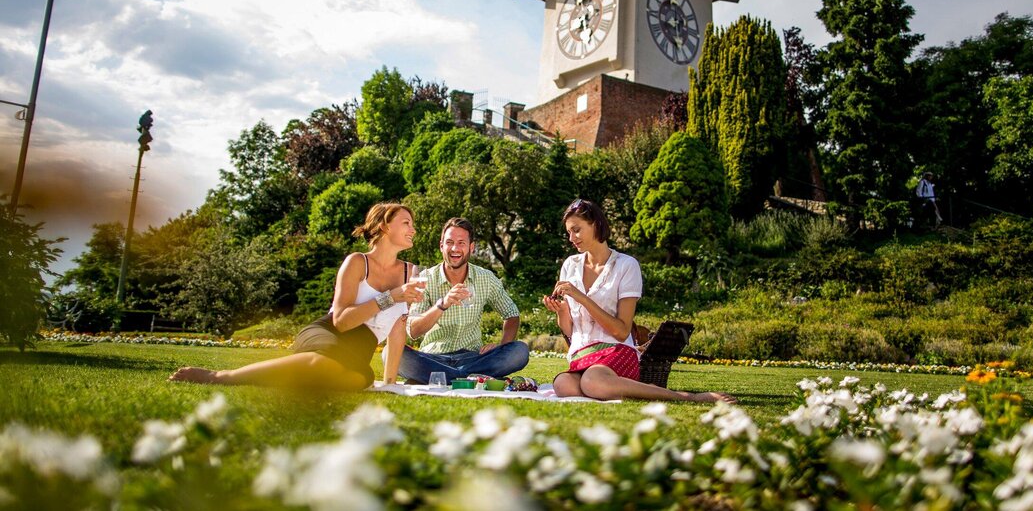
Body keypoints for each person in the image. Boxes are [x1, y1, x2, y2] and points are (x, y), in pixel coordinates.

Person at [169, 202, 426, 390]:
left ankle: (295, 377)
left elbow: (397, 328)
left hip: (361, 347)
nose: (413, 229)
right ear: (384, 226)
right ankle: (221, 376)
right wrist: (390, 297)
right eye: (406, 223)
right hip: (330, 333)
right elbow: (341, 322)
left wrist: (391, 383)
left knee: (358, 380)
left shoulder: (410, 271)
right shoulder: (357, 262)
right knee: (323, 364)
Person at [543, 199, 735, 403]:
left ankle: (688, 397)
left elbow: (621, 331)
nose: (571, 238)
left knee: (592, 382)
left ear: (596, 225)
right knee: (563, 385)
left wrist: (581, 298)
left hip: (615, 350)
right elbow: (571, 332)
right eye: (569, 233)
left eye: (576, 230)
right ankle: (631, 389)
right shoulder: (570, 265)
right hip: (582, 354)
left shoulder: (626, 265)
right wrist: (561, 312)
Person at [394, 217, 530, 384]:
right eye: (449, 242)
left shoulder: (485, 278)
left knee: (520, 350)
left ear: (471, 247)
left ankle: (441, 378)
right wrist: (442, 304)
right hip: (432, 358)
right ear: (441, 245)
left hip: (473, 358)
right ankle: (469, 378)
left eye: (461, 243)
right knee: (392, 353)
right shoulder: (425, 279)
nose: (454, 248)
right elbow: (413, 331)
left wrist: (501, 346)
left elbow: (512, 314)